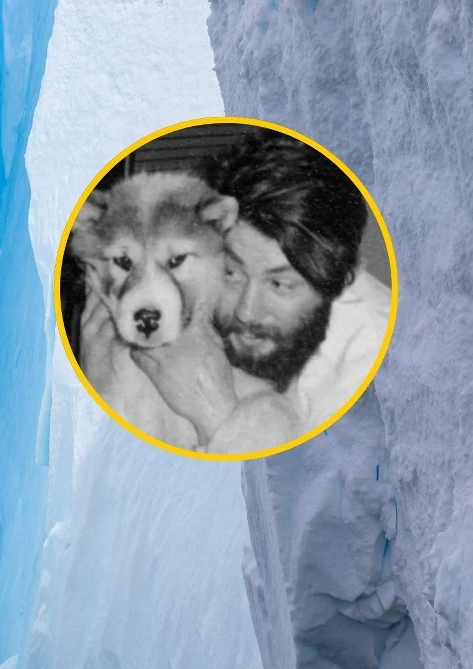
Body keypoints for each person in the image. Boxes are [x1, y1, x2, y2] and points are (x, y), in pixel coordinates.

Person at [129, 128, 391, 450]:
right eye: (231, 272)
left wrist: (216, 415)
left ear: (345, 280)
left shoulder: (378, 377)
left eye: (280, 284)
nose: (246, 311)